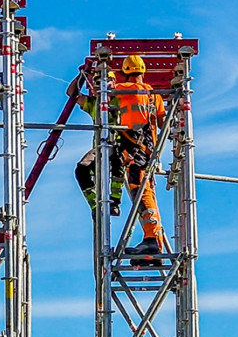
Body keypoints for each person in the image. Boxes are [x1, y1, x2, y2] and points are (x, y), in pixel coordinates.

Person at [111, 55, 166, 260]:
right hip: (149, 150)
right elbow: (162, 123)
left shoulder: (125, 89)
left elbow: (106, 92)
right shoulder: (155, 96)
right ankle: (155, 243)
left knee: (141, 193)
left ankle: (152, 240)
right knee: (147, 192)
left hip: (135, 152)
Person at [69, 67, 124, 217]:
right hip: (99, 147)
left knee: (119, 164)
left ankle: (115, 201)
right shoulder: (94, 103)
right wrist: (82, 74)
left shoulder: (123, 98)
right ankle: (95, 205)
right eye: (97, 82)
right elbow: (71, 94)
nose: (101, 85)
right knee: (82, 169)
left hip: (120, 145)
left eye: (106, 81)